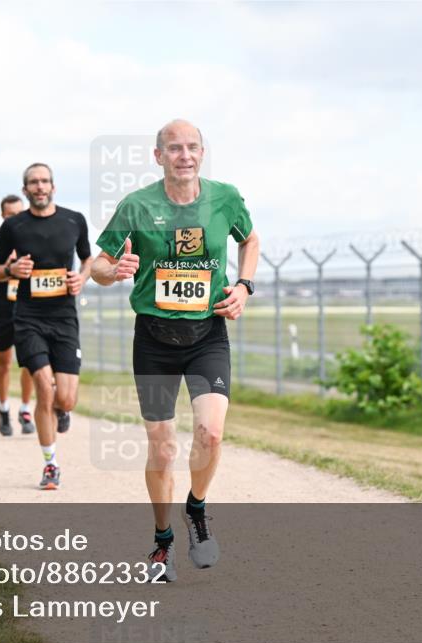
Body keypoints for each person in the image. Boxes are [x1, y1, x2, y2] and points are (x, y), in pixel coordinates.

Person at [91, 120, 260, 581]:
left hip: (207, 334)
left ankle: (197, 509)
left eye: (192, 147)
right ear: (158, 156)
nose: (184, 155)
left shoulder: (224, 197)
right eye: (173, 148)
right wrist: (114, 269)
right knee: (163, 450)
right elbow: (97, 264)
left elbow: (250, 239)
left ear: (202, 153)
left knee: (211, 433)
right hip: (154, 340)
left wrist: (243, 285)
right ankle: (162, 543)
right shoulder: (137, 205)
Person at [0, 163, 93, 490]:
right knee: (44, 390)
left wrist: (81, 277)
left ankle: (61, 409)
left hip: (64, 318)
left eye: (45, 181)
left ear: (53, 187)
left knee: (67, 398)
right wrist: (11, 269)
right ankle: (50, 465)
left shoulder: (74, 220)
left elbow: (88, 259)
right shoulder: (13, 227)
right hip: (28, 318)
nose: (40, 186)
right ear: (25, 190)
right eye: (33, 182)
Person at [0, 195, 36, 437]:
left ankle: (25, 410)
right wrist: (8, 268)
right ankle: (3, 409)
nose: (16, 218)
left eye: (19, 213)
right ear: (3, 216)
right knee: (5, 363)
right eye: (10, 214)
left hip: (28, 310)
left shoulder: (34, 237)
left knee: (31, 362)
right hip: (2, 311)